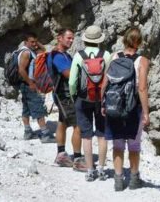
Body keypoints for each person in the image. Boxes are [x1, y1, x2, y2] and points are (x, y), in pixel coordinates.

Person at [103, 26, 150, 191]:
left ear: (125, 39)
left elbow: (105, 82)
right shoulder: (142, 60)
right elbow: (142, 88)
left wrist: (103, 104)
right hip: (132, 108)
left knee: (117, 144)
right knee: (134, 145)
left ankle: (118, 179)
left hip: (113, 105)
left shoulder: (114, 56)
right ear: (139, 42)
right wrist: (145, 112)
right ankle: (134, 179)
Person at [69, 25, 110, 182]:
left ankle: (90, 170)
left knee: (86, 136)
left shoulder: (79, 56)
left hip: (83, 99)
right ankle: (101, 169)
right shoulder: (106, 55)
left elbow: (73, 82)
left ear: (85, 39)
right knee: (102, 135)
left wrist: (75, 97)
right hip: (101, 100)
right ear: (99, 40)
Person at [50, 28, 86, 171]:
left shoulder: (64, 55)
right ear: (59, 38)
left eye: (72, 39)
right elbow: (68, 74)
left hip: (62, 95)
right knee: (78, 125)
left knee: (62, 123)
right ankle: (78, 160)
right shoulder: (58, 56)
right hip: (65, 95)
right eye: (68, 38)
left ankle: (61, 155)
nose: (71, 41)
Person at [17, 32, 55, 143]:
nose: (34, 44)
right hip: (29, 85)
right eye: (32, 42)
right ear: (25, 42)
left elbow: (44, 51)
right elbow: (21, 70)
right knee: (38, 108)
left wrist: (36, 43)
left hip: (25, 85)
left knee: (26, 109)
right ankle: (45, 134)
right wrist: (31, 83)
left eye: (35, 41)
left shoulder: (25, 51)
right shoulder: (26, 53)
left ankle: (28, 132)